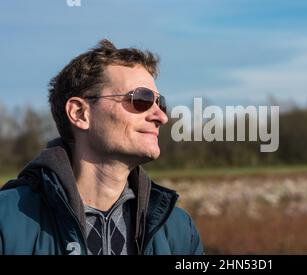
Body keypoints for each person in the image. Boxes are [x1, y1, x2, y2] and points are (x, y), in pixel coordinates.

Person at [0, 39, 204, 255]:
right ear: (80, 113)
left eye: (159, 102)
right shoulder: (7, 221)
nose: (161, 116)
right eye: (141, 99)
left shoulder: (178, 230)